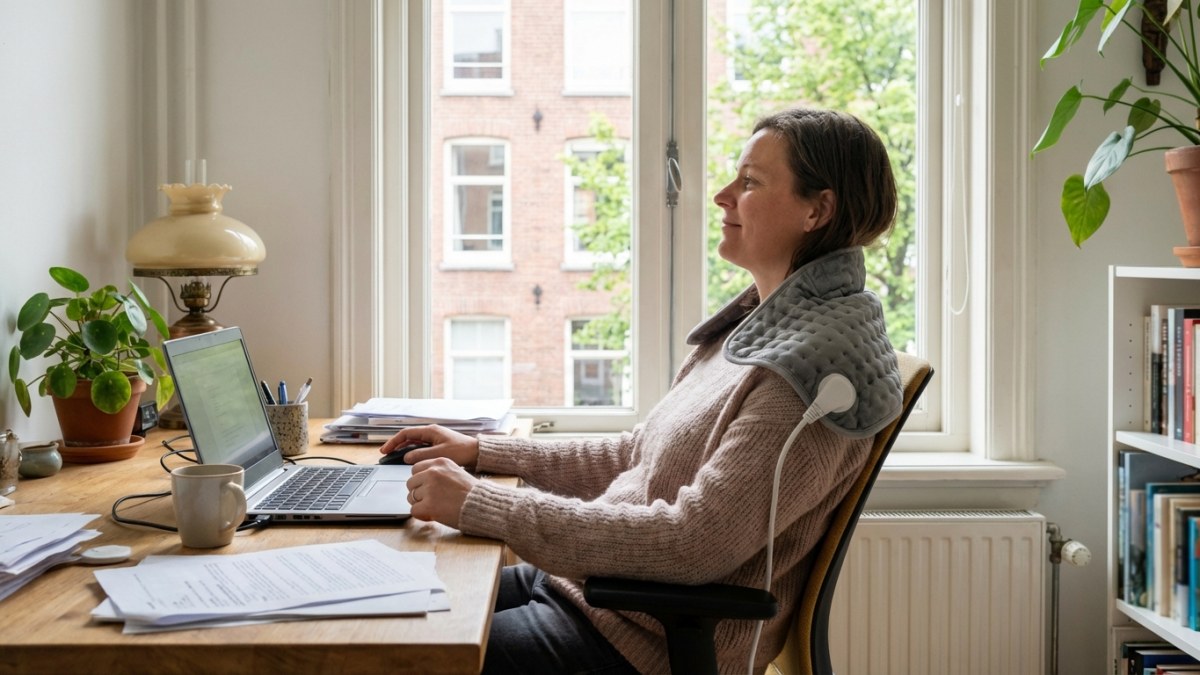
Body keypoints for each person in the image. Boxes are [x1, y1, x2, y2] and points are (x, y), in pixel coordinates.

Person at [381, 107, 900, 674]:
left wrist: (482, 503)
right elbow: (636, 455)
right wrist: (482, 452)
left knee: (372, 661)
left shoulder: (810, 374)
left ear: (817, 210)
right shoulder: (760, 327)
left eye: (750, 182)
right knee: (375, 613)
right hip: (594, 595)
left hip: (637, 643)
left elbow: (694, 542)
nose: (723, 195)